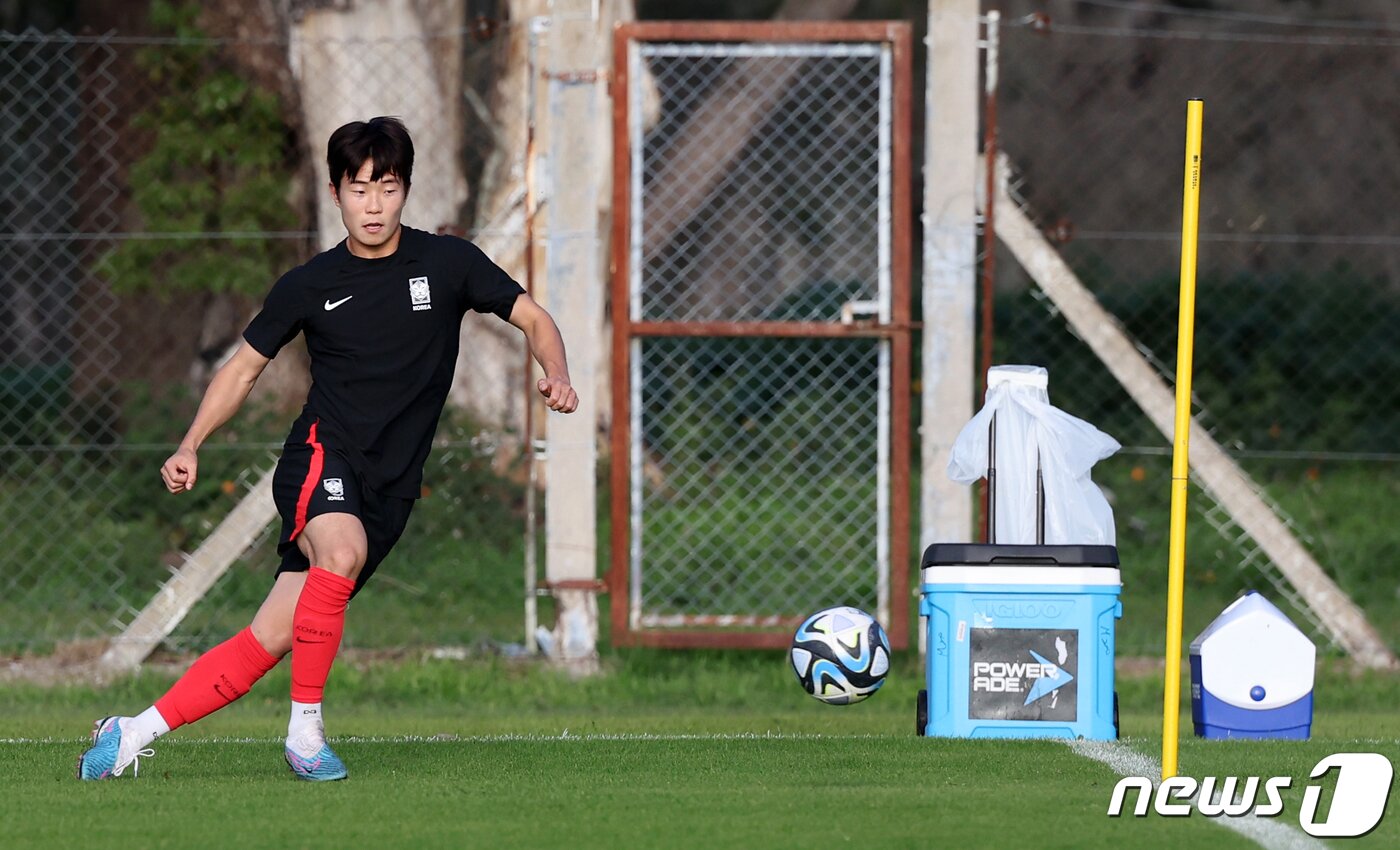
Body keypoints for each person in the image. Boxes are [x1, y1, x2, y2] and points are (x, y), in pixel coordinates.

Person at [77, 116, 578, 782]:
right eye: (359, 189)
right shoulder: (309, 284)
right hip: (322, 456)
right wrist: (191, 442)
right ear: (336, 192)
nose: (373, 205)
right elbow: (242, 369)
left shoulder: (448, 264)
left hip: (391, 487)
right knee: (340, 551)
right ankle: (305, 738)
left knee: (272, 639)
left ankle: (130, 731)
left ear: (405, 191)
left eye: (388, 188)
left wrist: (557, 372)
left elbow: (535, 319)